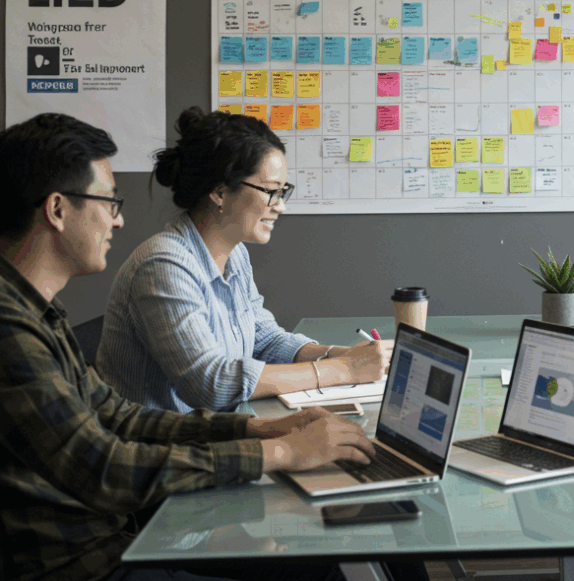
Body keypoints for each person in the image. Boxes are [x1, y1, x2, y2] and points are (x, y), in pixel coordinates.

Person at [0, 113, 377, 581]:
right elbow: (104, 466)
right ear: (57, 210)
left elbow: (118, 417)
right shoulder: (11, 329)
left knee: (321, 552)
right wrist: (283, 451)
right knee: (316, 558)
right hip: (86, 558)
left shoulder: (39, 313)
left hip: (115, 524)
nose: (118, 219)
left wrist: (261, 431)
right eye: (108, 201)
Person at [97, 107, 389, 413]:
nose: (280, 207)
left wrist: (344, 356)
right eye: (271, 191)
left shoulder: (234, 254)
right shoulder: (163, 266)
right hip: (155, 449)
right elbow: (212, 385)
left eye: (282, 192)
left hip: (204, 435)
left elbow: (264, 340)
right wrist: (343, 370)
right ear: (220, 193)